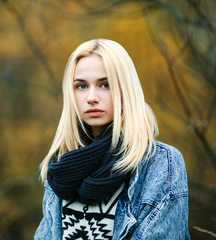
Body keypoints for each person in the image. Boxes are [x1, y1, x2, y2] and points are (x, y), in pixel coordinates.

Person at [34, 39, 190, 239]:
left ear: (126, 89)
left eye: (105, 84)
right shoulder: (61, 168)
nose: (91, 97)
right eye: (81, 86)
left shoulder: (161, 163)